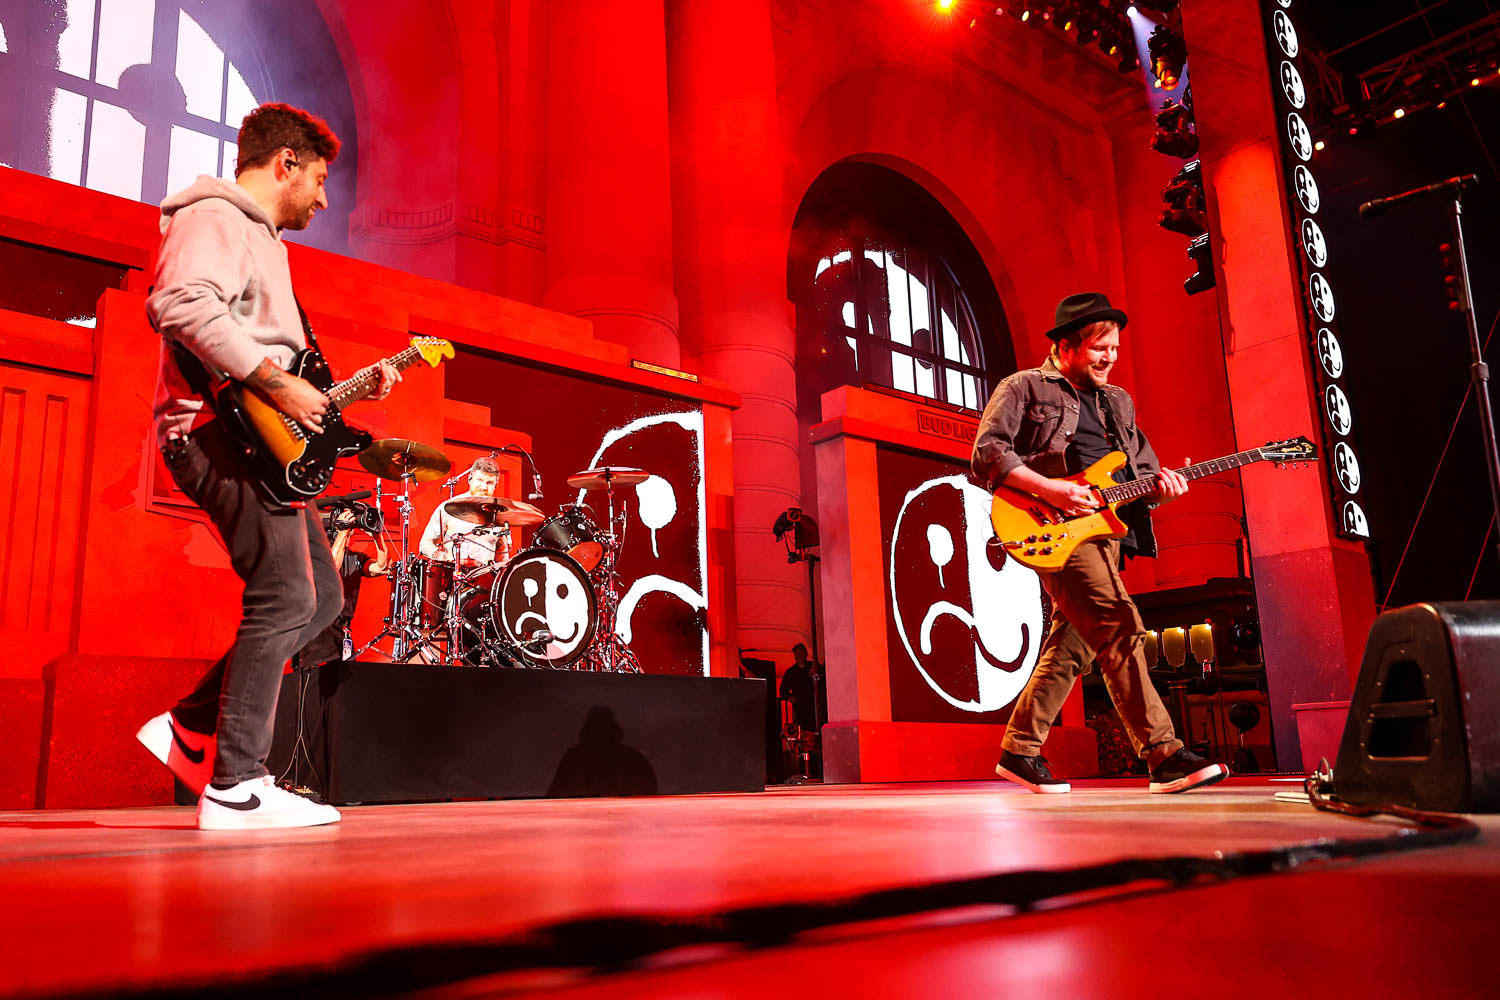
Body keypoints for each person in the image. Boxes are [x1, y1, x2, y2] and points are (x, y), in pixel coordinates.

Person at [135, 103, 400, 830]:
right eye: (318, 180)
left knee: (318, 604)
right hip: (216, 437)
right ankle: (235, 785)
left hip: (254, 438)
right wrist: (281, 383)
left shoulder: (264, 242)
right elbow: (180, 304)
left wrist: (325, 384)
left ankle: (192, 728)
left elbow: (271, 352)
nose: (322, 197)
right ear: (284, 164)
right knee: (286, 596)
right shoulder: (215, 217)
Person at [971, 292, 1227, 795]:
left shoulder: (1120, 402)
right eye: (1098, 348)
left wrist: (1163, 490)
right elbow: (988, 453)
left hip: (1107, 534)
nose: (1110, 357)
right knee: (1118, 625)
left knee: (1074, 645)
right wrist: (1051, 488)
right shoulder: (1024, 387)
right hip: (1052, 528)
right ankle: (1164, 754)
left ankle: (1020, 749)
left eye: (1115, 347)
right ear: (1065, 347)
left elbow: (1143, 474)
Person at [294, 506, 392, 669]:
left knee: (344, 690)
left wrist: (377, 534)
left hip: (342, 633)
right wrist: (342, 533)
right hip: (317, 636)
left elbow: (382, 567)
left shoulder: (355, 557)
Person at [419, 456, 512, 571]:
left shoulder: (499, 514)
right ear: (470, 479)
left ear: (495, 485)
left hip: (484, 580)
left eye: (489, 483)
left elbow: (502, 556)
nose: (484, 487)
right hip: (453, 578)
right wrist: (438, 555)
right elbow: (425, 544)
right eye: (480, 480)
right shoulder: (449, 508)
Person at [779, 642, 826, 734]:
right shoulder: (791, 672)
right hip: (801, 709)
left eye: (800, 653)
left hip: (816, 708)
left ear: (806, 654)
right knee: (803, 734)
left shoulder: (815, 667)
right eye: (796, 653)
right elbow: (783, 690)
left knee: (817, 732)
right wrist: (790, 697)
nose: (798, 655)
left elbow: (823, 684)